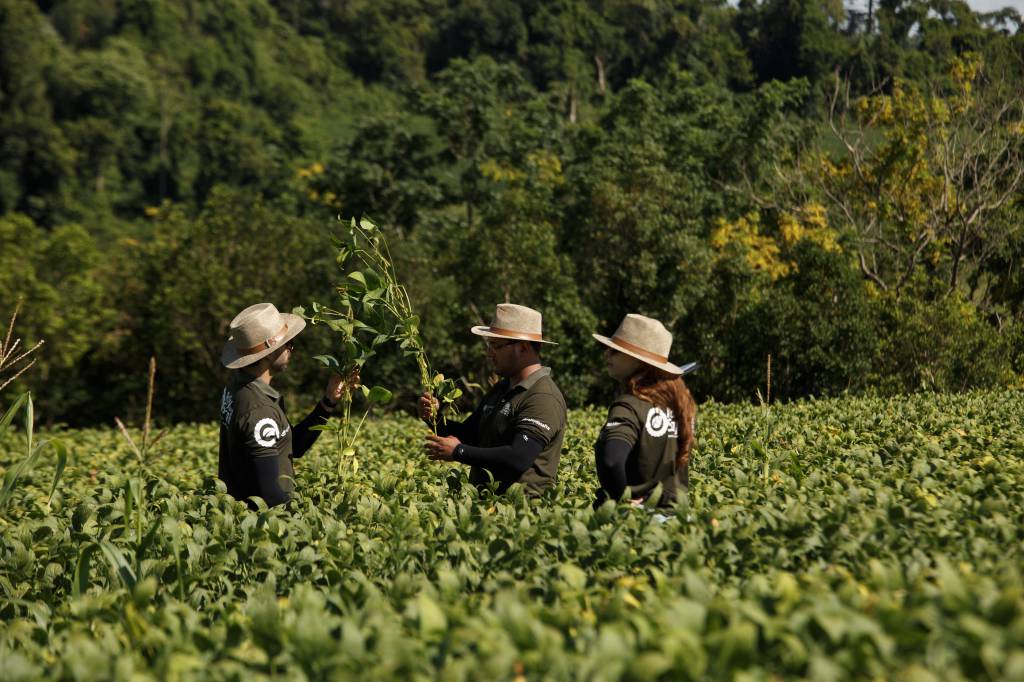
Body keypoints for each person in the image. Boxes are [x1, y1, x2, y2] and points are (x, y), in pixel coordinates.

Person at [420, 303, 567, 496]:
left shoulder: (542, 396)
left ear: (523, 348)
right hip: (487, 508)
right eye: (489, 345)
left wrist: (458, 452)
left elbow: (519, 456)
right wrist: (434, 417)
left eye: (496, 346)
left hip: (521, 512)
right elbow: (470, 434)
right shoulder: (501, 389)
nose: (489, 354)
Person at [218, 302, 354, 507]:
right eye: (288, 344)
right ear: (270, 352)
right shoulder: (260, 410)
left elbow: (292, 447)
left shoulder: (237, 386)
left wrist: (328, 402)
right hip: (266, 529)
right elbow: (270, 496)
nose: (292, 349)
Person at [592, 314, 696, 509]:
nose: (606, 354)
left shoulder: (629, 405)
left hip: (637, 521)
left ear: (639, 361)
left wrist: (621, 499)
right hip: (678, 518)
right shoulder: (681, 405)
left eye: (615, 351)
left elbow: (612, 461)